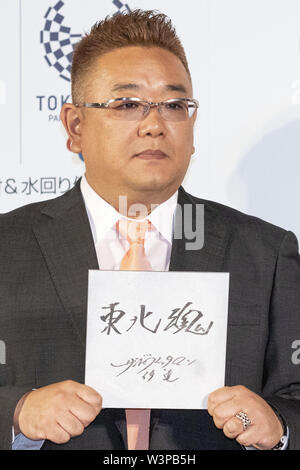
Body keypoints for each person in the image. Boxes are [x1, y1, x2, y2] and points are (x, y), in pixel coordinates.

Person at [0, 9, 300, 451]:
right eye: (126, 105)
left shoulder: (266, 253)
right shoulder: (9, 246)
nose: (155, 124)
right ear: (75, 126)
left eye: (175, 106)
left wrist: (279, 425)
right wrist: (17, 410)